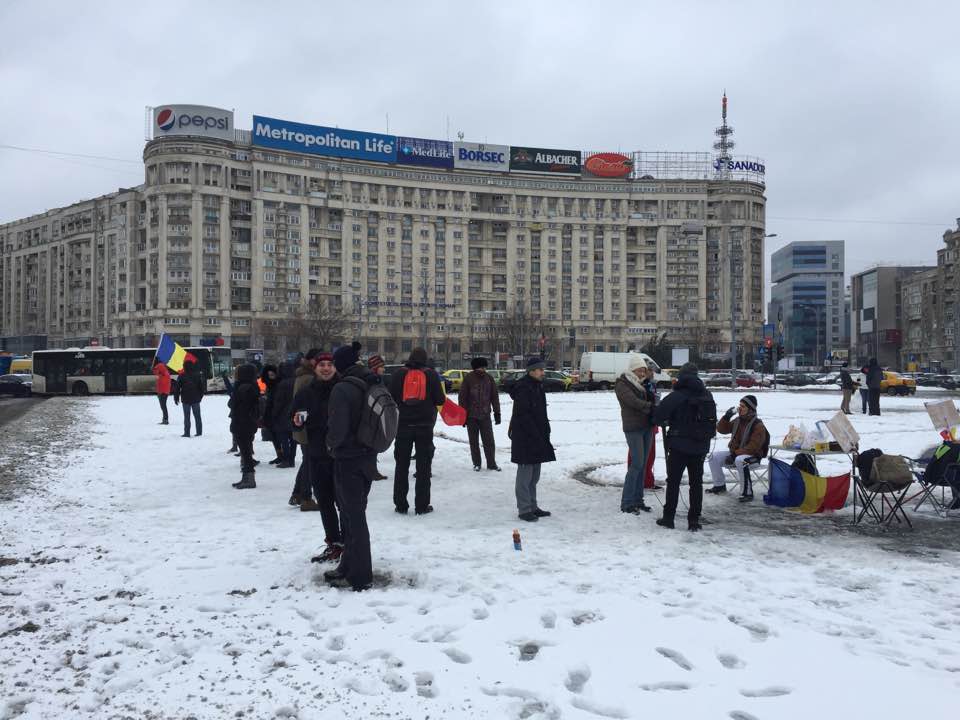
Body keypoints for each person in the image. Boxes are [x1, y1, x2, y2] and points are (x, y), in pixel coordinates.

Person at [324, 342, 379, 592]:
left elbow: (337, 429)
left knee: (354, 518)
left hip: (348, 459)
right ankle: (347, 566)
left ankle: (359, 576)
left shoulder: (342, 388)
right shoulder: (372, 382)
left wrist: (330, 446)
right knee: (351, 515)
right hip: (368, 457)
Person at [653, 362, 716, 531]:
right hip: (700, 446)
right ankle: (694, 520)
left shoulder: (676, 396)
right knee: (696, 484)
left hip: (678, 446)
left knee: (673, 482)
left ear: (681, 376)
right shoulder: (707, 395)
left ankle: (668, 518)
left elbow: (657, 417)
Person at [293, 351, 343, 561]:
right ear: (315, 368)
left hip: (342, 455)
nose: (326, 368)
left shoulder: (343, 389)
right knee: (324, 500)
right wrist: (296, 420)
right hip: (317, 453)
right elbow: (294, 415)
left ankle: (349, 542)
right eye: (322, 365)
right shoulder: (307, 392)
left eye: (330, 364)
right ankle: (334, 543)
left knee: (344, 502)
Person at [389, 347, 445, 515]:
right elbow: (440, 399)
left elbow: (390, 397)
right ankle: (422, 505)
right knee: (423, 468)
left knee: (401, 466)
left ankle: (400, 505)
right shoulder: (431, 374)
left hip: (402, 426)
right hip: (424, 427)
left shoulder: (398, 374)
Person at [509, 357, 556, 522]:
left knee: (534, 476)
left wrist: (544, 431)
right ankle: (524, 509)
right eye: (540, 370)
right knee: (525, 476)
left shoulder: (537, 386)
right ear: (531, 371)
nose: (543, 372)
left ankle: (533, 506)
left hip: (537, 436)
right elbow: (523, 416)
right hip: (525, 438)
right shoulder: (523, 387)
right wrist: (535, 434)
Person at [707, 395, 768, 502]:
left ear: (750, 409)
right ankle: (719, 486)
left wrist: (734, 455)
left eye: (743, 406)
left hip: (753, 458)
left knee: (741, 460)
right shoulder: (738, 421)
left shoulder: (758, 425)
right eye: (739, 405)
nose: (740, 408)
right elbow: (722, 430)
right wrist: (726, 417)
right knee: (713, 457)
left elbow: (753, 448)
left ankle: (747, 492)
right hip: (736, 454)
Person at [614, 356, 654, 514]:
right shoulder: (622, 384)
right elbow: (632, 402)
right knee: (636, 464)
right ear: (632, 369)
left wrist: (651, 392)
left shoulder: (642, 384)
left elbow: (649, 399)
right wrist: (651, 406)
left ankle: (638, 500)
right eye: (639, 370)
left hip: (646, 426)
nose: (642, 373)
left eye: (644, 370)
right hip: (633, 428)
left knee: (643, 464)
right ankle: (627, 502)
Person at [458, 357, 502, 472]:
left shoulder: (489, 378)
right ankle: (477, 463)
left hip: (485, 415)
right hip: (471, 416)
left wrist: (497, 412)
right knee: (474, 442)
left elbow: (494, 397)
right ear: (475, 367)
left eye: (484, 367)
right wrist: (463, 416)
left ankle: (491, 464)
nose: (483, 369)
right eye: (481, 367)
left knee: (489, 441)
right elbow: (462, 398)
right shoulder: (468, 379)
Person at [290, 350, 321, 505]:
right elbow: (306, 404)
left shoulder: (303, 375)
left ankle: (297, 494)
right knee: (309, 462)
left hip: (303, 426)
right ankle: (305, 497)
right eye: (317, 360)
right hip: (307, 427)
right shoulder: (309, 378)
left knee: (307, 461)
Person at [229, 364, 261, 489]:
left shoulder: (243, 388)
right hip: (248, 423)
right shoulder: (252, 386)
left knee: (245, 451)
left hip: (242, 423)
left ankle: (249, 478)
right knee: (245, 450)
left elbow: (234, 404)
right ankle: (246, 477)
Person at [271, 362, 297, 468]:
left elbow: (279, 401)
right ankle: (292, 459)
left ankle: (286, 459)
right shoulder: (296, 381)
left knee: (284, 438)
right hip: (294, 413)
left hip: (283, 414)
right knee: (293, 439)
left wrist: (274, 414)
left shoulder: (282, 384)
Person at [367, 354, 389, 480]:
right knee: (371, 445)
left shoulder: (378, 379)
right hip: (372, 416)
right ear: (375, 368)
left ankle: (372, 470)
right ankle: (371, 471)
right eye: (381, 367)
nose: (384, 369)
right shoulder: (372, 380)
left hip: (376, 414)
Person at [174, 357, 204, 437]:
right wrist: (200, 397)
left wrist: (176, 398)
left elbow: (177, 388)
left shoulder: (181, 376)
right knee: (197, 416)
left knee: (187, 417)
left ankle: (187, 433)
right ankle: (199, 432)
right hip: (196, 399)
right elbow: (201, 388)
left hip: (185, 399)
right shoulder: (197, 375)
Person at [259, 365, 282, 462]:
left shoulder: (277, 386)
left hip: (276, 414)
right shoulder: (269, 386)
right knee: (274, 436)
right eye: (269, 375)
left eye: (272, 375)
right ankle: (279, 454)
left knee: (278, 436)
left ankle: (281, 455)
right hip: (269, 413)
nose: (271, 377)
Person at [152, 360, 171, 425]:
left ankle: (165, 420)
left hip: (162, 392)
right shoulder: (166, 373)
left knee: (163, 406)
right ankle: (165, 419)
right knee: (163, 406)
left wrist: (154, 369)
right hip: (165, 391)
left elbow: (156, 372)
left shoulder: (161, 369)